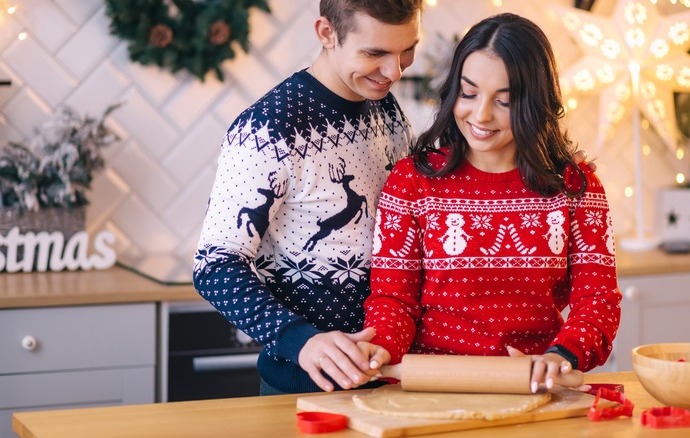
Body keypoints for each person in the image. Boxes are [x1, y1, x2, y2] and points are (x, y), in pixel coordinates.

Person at [194, 2, 594, 395]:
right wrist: (301, 340)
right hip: (306, 383)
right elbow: (214, 266)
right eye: (375, 53)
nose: (394, 71)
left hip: (396, 378)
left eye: (407, 50)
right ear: (326, 34)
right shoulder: (267, 129)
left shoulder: (381, 103)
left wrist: (545, 157)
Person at [362, 12, 621, 394]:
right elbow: (393, 300)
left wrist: (562, 355)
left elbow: (598, 301)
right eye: (468, 94)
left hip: (533, 387)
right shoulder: (412, 182)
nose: (480, 115)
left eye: (504, 101)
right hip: (431, 391)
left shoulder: (576, 188)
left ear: (535, 104)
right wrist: (379, 348)